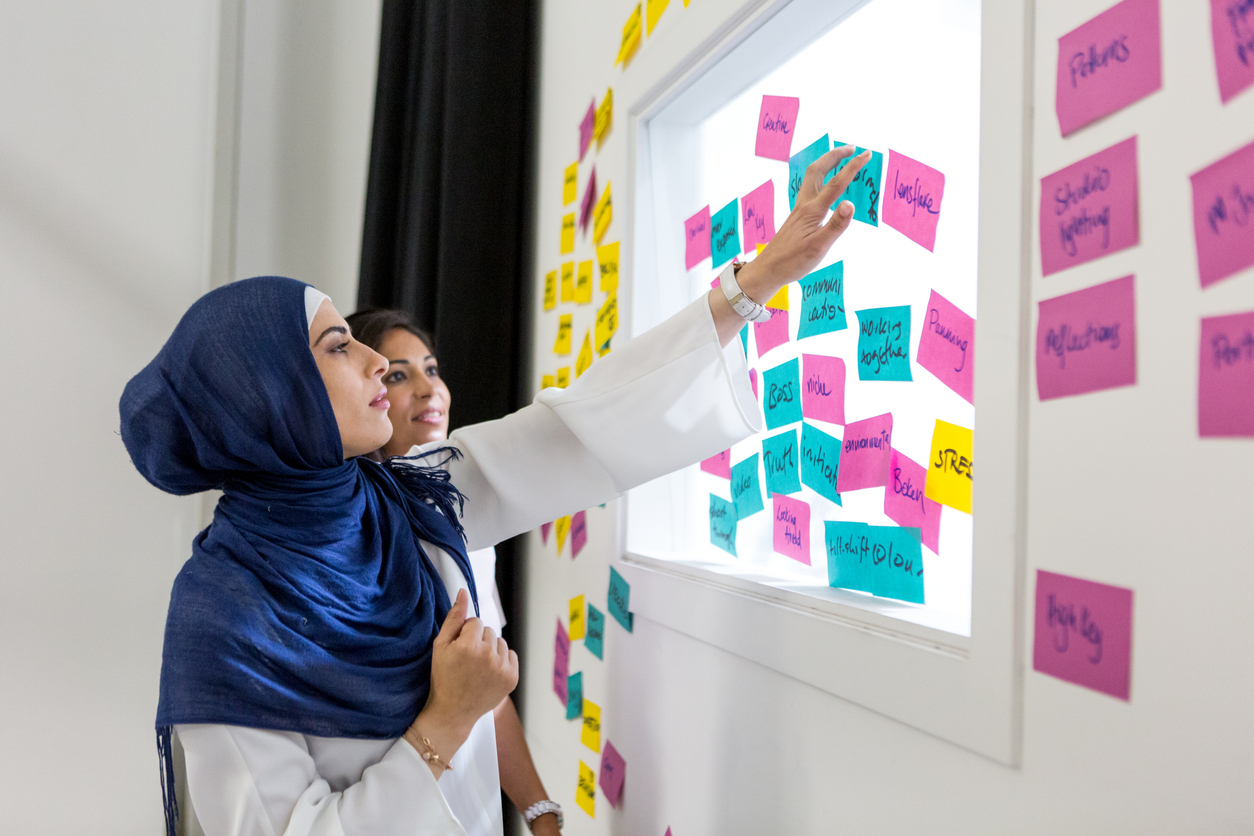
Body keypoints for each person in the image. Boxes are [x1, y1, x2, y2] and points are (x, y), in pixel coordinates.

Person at [120, 146, 868, 836]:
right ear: (269, 398)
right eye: (338, 346)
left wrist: (755, 283)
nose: (380, 362)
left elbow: (574, 430)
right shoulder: (221, 617)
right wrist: (445, 721)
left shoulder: (410, 502)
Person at [344, 306, 549, 823]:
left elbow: (489, 694)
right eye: (398, 375)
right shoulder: (349, 538)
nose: (427, 389)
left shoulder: (463, 521)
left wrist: (542, 813)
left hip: (474, 809)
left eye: (431, 370)